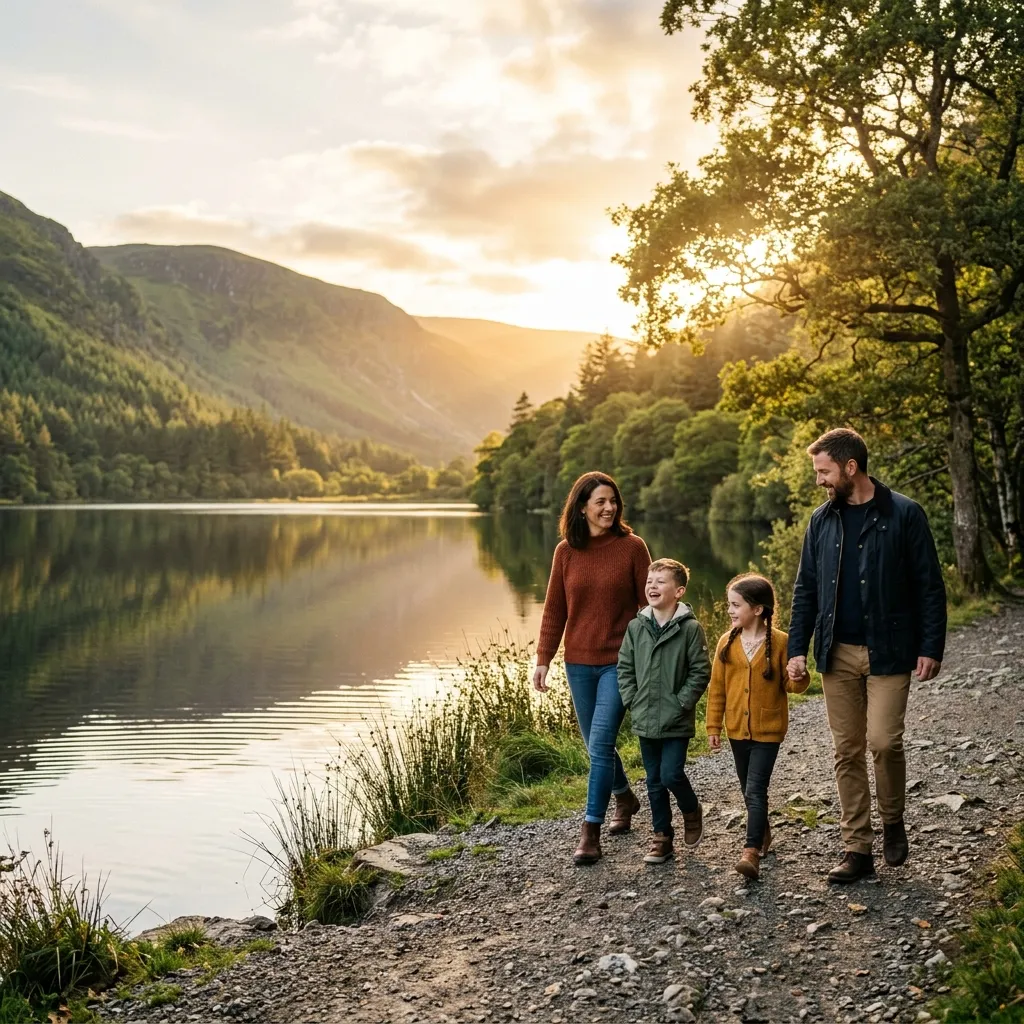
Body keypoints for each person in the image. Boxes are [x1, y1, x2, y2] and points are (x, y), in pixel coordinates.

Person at [786, 427, 946, 883]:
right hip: (836, 653)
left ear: (850, 467)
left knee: (883, 741)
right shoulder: (821, 521)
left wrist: (930, 646)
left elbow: (929, 586)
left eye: (824, 471)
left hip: (890, 651)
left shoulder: (905, 515)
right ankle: (857, 848)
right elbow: (806, 591)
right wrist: (797, 648)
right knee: (847, 750)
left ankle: (892, 820)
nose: (819, 479)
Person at [532, 471, 652, 866]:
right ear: (581, 507)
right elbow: (555, 610)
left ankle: (590, 831)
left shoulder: (632, 548)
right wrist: (542, 660)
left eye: (612, 501)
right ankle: (625, 796)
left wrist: (651, 658)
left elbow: (648, 608)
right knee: (595, 745)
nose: (608, 508)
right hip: (578, 663)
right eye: (600, 502)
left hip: (620, 662)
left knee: (600, 743)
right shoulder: (566, 552)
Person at [706, 573, 810, 880]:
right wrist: (713, 727)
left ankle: (750, 852)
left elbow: (792, 685)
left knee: (755, 788)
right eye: (729, 605)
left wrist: (800, 676)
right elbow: (717, 689)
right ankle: (763, 832)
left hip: (768, 730)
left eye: (736, 605)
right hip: (737, 729)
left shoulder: (780, 643)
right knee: (747, 788)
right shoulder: (727, 642)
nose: (730, 611)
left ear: (758, 609)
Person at [617, 559, 711, 865]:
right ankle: (662, 837)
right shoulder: (636, 627)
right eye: (649, 581)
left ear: (679, 591)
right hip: (645, 717)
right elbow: (625, 668)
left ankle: (691, 809)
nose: (652, 586)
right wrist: (632, 699)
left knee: (671, 774)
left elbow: (700, 672)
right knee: (654, 780)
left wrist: (682, 702)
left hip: (676, 718)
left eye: (661, 581)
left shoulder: (690, 629)